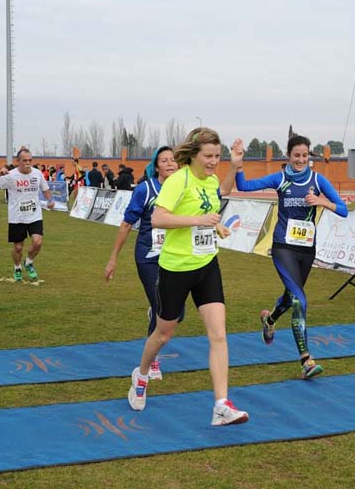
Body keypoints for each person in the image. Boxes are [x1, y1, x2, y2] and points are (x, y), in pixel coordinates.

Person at [127, 127, 249, 427]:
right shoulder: (178, 180)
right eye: (208, 156)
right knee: (163, 333)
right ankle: (141, 375)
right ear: (193, 154)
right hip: (176, 268)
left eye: (217, 156)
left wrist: (233, 169)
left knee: (218, 335)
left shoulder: (208, 181)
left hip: (207, 265)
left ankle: (221, 404)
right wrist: (199, 220)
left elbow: (219, 197)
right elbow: (158, 218)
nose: (212, 162)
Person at [231, 134, 349, 379]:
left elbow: (344, 210)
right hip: (283, 245)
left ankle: (270, 318)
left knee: (290, 296)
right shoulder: (281, 178)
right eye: (297, 155)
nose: (301, 160)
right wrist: (239, 163)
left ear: (310, 156)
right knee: (299, 300)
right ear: (289, 156)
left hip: (306, 249)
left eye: (305, 155)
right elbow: (244, 186)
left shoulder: (318, 180)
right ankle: (306, 361)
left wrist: (321, 201)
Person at [105, 147, 182, 379]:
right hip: (148, 257)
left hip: (176, 257)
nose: (169, 164)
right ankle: (152, 361)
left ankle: (154, 313)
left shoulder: (183, 190)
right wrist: (113, 259)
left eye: (173, 160)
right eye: (164, 160)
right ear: (156, 166)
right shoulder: (145, 190)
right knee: (161, 309)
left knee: (178, 313)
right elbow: (126, 225)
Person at [0, 149, 55, 282]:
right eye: (24, 160)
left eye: (30, 160)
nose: (28, 163)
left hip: (34, 215)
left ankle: (29, 263)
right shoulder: (11, 176)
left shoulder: (37, 174)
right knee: (18, 247)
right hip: (17, 217)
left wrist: (50, 201)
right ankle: (17, 267)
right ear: (18, 161)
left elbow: (45, 189)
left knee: (37, 243)